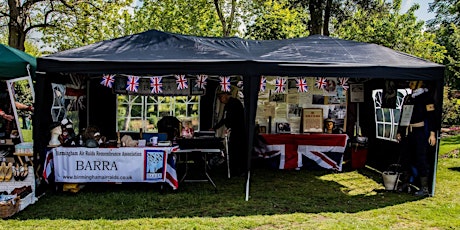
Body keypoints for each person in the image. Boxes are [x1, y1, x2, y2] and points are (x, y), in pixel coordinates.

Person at [396, 81, 436, 196]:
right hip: (407, 132)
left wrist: (432, 133)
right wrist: (400, 131)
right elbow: (403, 114)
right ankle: (406, 182)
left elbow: (431, 116)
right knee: (406, 157)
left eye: (413, 82)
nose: (410, 84)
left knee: (421, 158)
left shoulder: (426, 97)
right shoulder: (408, 97)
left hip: (420, 132)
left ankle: (424, 188)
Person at [212, 91, 246, 177]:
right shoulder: (227, 105)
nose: (220, 100)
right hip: (234, 130)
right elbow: (224, 119)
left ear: (226, 95)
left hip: (239, 130)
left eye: (221, 97)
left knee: (238, 150)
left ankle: (240, 170)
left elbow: (234, 118)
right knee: (232, 150)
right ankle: (234, 169)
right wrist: (215, 127)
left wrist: (230, 126)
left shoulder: (235, 103)